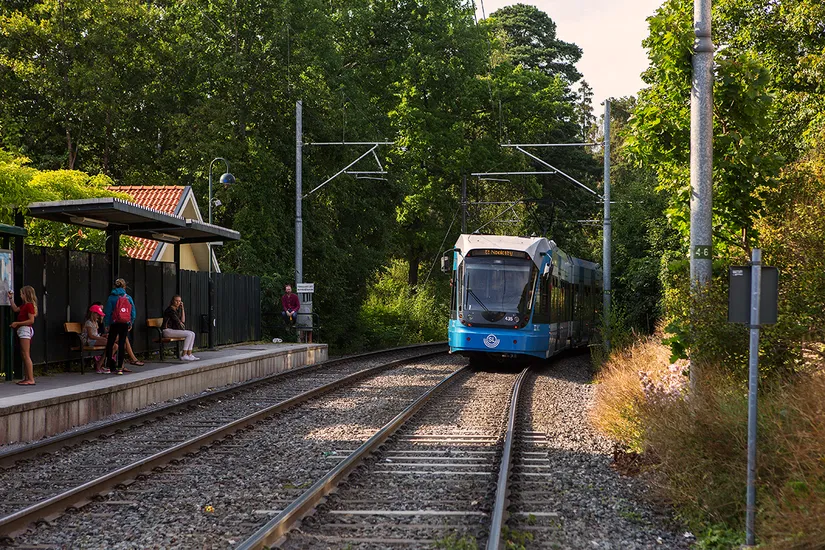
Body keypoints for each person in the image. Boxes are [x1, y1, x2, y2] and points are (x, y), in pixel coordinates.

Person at [92, 301, 144, 367]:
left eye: (102, 310)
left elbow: (102, 332)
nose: (101, 312)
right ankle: (129, 361)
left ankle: (120, 365)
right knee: (122, 340)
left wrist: (105, 334)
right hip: (97, 339)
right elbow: (94, 334)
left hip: (102, 337)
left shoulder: (100, 321)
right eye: (99, 310)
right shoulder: (92, 321)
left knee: (123, 341)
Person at [103, 278, 136, 375]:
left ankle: (108, 366)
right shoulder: (128, 297)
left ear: (114, 286)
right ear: (124, 286)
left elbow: (108, 312)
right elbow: (133, 312)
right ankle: (120, 368)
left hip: (114, 323)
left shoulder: (111, 297)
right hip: (124, 323)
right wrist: (130, 322)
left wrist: (107, 324)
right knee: (122, 344)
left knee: (111, 343)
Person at [7, 286, 37, 385]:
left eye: (22, 294)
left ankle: (31, 379)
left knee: (26, 354)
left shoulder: (29, 306)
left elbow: (31, 320)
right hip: (23, 330)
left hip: (25, 329)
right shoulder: (24, 306)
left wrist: (17, 323)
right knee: (23, 354)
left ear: (26, 294)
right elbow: (15, 309)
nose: (20, 296)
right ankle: (27, 377)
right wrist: (10, 298)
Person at [162, 295, 198, 361]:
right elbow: (178, 321)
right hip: (167, 331)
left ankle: (189, 354)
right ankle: (184, 355)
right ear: (172, 301)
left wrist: (182, 308)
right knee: (189, 334)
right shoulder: (170, 310)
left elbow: (183, 320)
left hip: (172, 331)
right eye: (176, 301)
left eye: (179, 301)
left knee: (192, 333)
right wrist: (181, 324)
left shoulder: (176, 310)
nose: (178, 303)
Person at [81, 304, 110, 374]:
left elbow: (96, 334)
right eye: (97, 315)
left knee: (114, 346)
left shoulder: (95, 322)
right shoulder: (88, 323)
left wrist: (103, 337)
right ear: (93, 314)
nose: (99, 317)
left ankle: (100, 364)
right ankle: (99, 366)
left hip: (94, 340)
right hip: (89, 341)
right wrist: (101, 338)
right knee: (110, 344)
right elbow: (91, 336)